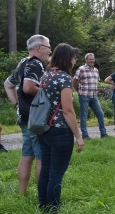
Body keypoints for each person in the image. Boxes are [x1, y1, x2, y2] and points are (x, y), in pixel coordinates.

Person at [37, 43, 84, 214]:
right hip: (60, 131)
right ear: (66, 58)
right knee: (56, 174)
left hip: (44, 129)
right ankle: (53, 213)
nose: (74, 61)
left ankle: (43, 207)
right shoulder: (64, 78)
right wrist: (78, 136)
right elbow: (68, 110)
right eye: (73, 57)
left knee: (46, 171)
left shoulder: (45, 75)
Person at [3, 34, 51, 195]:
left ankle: (22, 194)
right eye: (48, 47)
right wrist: (47, 94)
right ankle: (42, 197)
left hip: (24, 118)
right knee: (42, 157)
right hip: (35, 118)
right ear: (39, 48)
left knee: (27, 155)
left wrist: (17, 104)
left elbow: (8, 84)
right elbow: (28, 87)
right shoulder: (35, 64)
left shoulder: (23, 63)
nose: (49, 51)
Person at [73, 53, 108, 139]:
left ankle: (103, 133)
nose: (92, 61)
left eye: (93, 59)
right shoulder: (81, 69)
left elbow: (96, 82)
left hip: (93, 96)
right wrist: (78, 91)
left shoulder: (96, 70)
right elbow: (74, 81)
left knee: (100, 114)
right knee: (84, 115)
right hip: (84, 95)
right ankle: (85, 135)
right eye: (90, 59)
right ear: (86, 60)